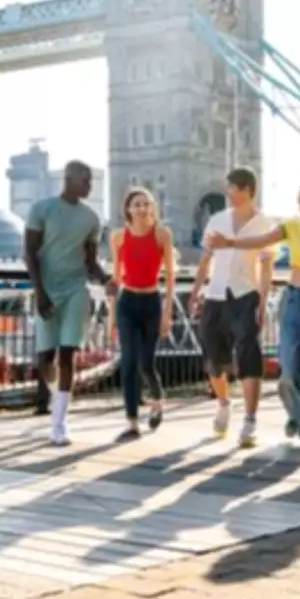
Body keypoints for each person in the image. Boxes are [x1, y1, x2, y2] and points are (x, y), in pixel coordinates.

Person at [207, 178, 300, 450]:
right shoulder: (291, 226)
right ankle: (297, 414)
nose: (299, 197)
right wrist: (230, 242)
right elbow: (261, 241)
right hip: (294, 300)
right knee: (288, 371)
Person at [24, 161, 117, 446]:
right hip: (47, 288)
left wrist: (105, 279)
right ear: (69, 179)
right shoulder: (41, 209)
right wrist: (40, 293)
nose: (89, 186)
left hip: (77, 289)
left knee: (68, 354)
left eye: (91, 181)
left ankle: (60, 422)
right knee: (45, 359)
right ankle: (58, 397)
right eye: (85, 180)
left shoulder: (91, 218)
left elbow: (90, 261)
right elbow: (29, 254)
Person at [188, 167, 275, 448]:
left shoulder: (265, 225)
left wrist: (263, 300)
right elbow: (206, 260)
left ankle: (250, 421)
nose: (227, 192)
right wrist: (195, 292)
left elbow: (267, 266)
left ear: (247, 190)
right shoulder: (216, 220)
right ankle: (224, 403)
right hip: (215, 295)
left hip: (246, 294)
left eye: (232, 188)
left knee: (249, 355)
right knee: (213, 359)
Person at [108, 187, 175, 441]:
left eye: (146, 204)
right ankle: (132, 421)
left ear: (152, 207)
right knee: (128, 362)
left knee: (146, 363)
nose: (142, 208)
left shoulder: (162, 234)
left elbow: (170, 277)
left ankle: (157, 399)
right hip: (127, 302)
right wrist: (112, 316)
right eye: (137, 204)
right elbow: (116, 277)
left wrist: (167, 314)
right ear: (128, 209)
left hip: (151, 302)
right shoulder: (118, 237)